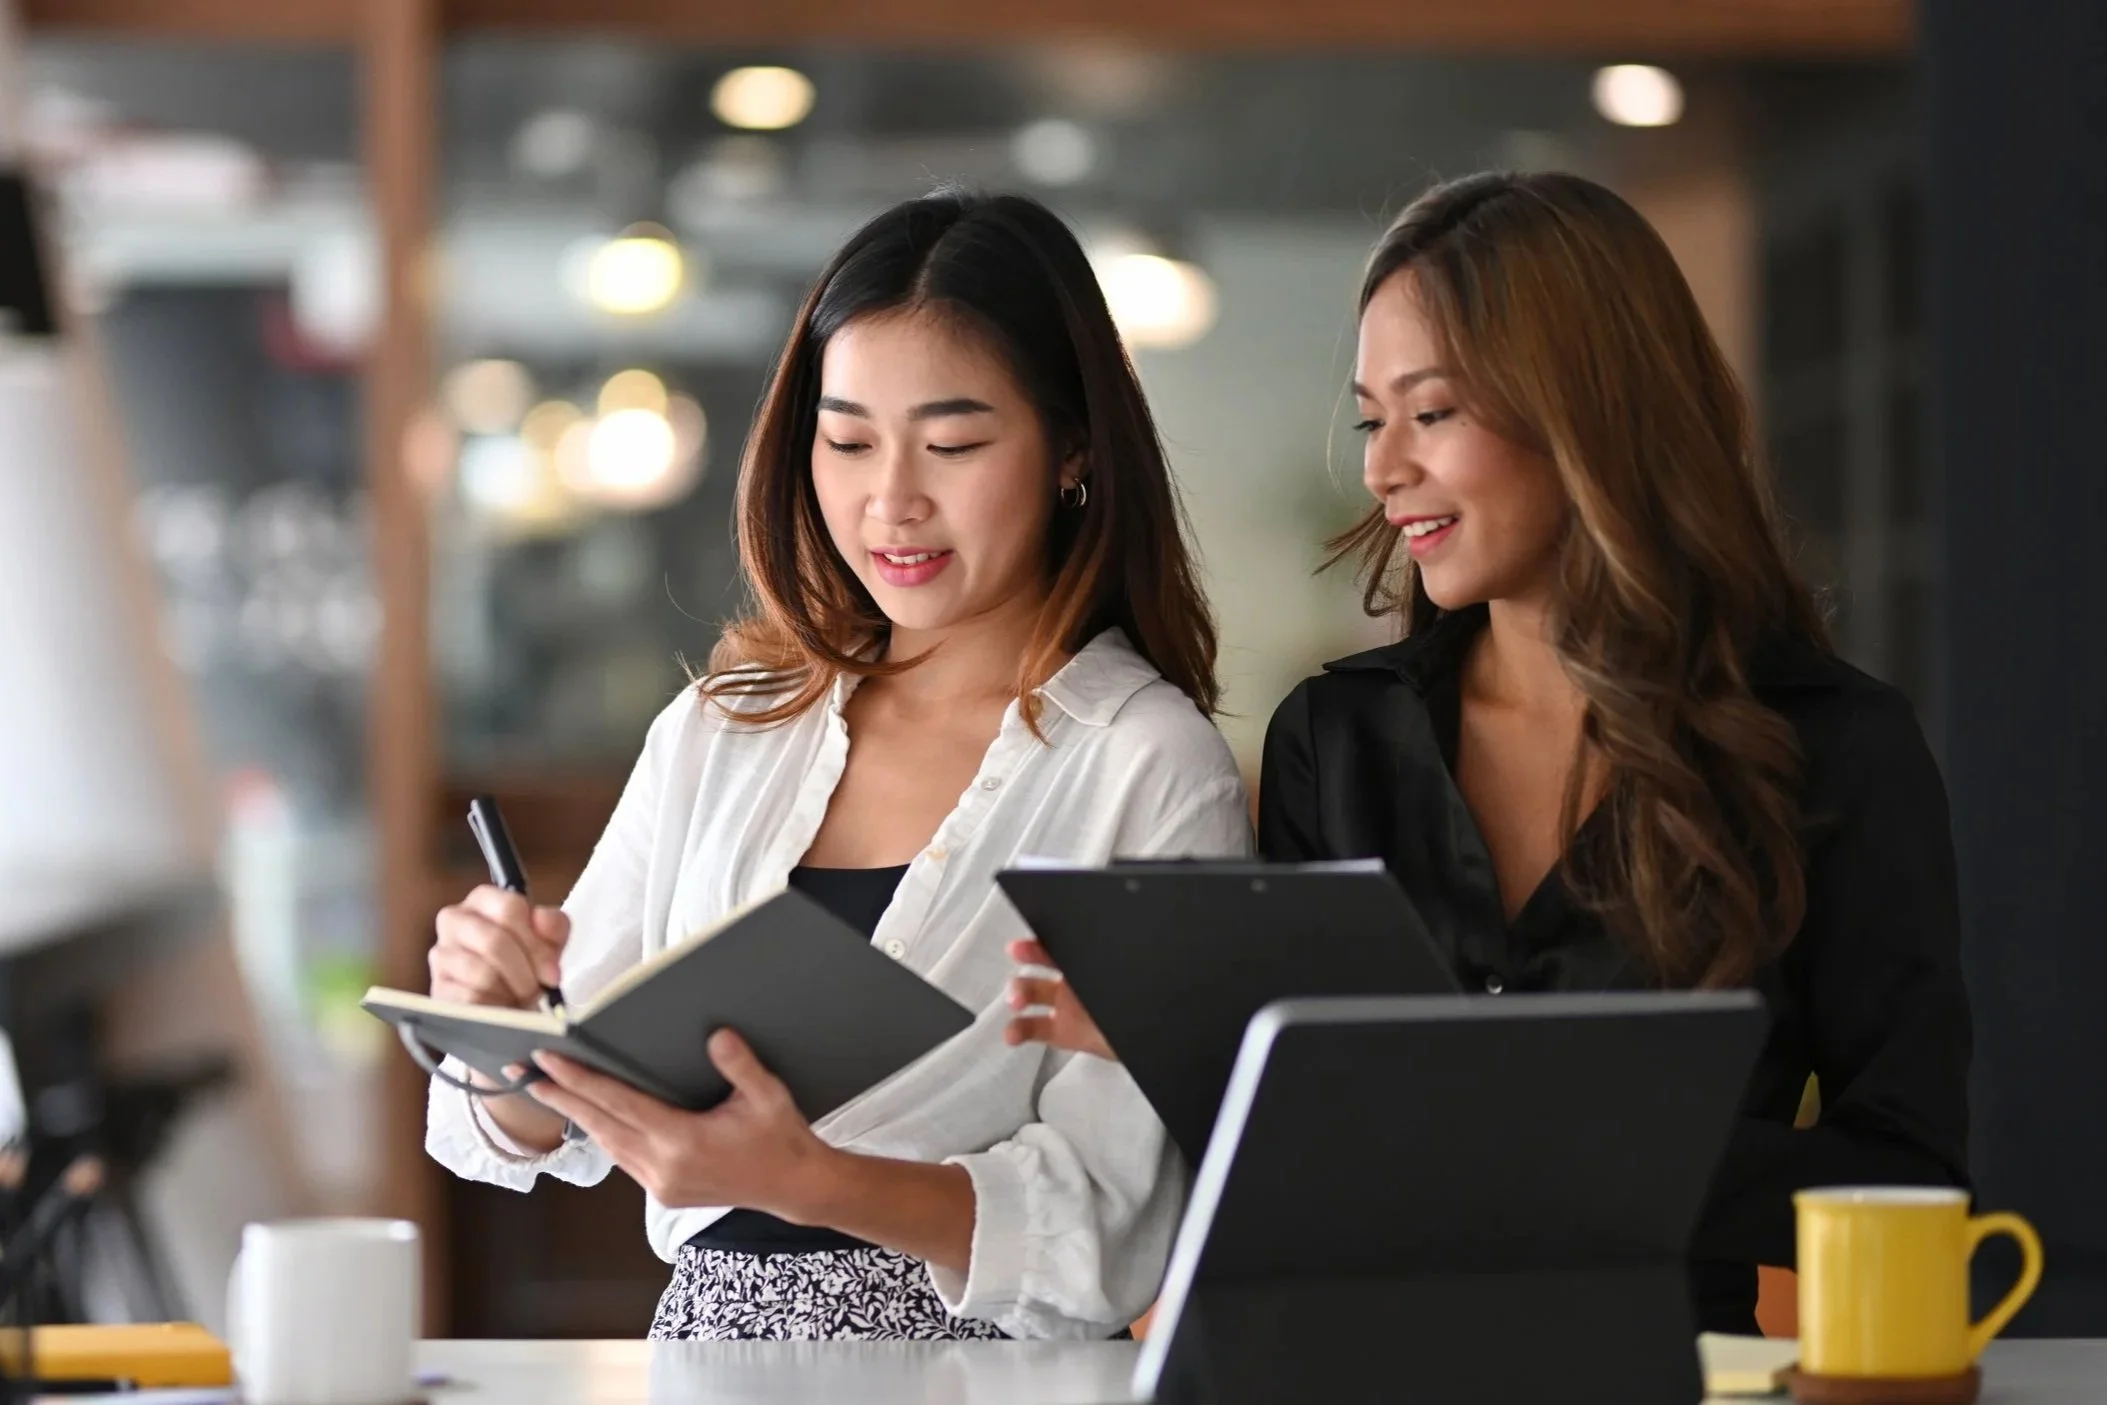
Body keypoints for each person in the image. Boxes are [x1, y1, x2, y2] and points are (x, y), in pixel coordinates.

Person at [1005, 170, 1971, 1334]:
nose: (1380, 467)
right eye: (1372, 418)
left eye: (1433, 411)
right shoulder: (1336, 738)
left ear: (1587, 410)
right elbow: (1309, 1172)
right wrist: (1199, 1044)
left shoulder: (1831, 749)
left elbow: (1913, 1175)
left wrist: (1557, 1141)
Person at [426, 190, 1251, 1343]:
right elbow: (533, 1120)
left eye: (954, 443)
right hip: (709, 1360)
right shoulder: (727, 727)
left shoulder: (1149, 766)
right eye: (848, 439)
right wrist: (500, 1028)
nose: (891, 500)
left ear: (1073, 448)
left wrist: (809, 1179)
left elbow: (1118, 1222)